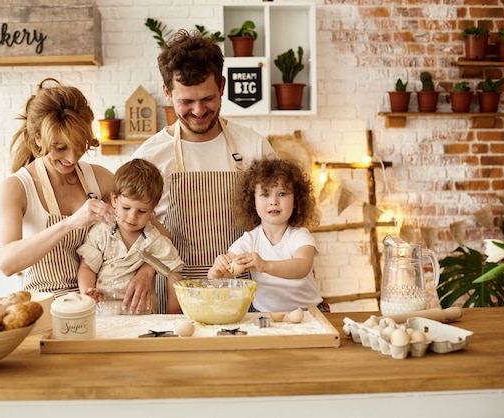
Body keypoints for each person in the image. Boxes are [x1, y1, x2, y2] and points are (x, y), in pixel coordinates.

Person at [131, 30, 276, 312]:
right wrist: (145, 268)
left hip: (244, 293)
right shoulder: (148, 157)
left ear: (222, 86)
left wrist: (303, 282)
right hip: (175, 295)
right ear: (167, 93)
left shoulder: (254, 147)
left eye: (207, 98)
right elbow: (129, 227)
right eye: (186, 101)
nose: (198, 110)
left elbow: (283, 224)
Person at [0, 78, 158, 313]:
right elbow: (7, 263)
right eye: (60, 148)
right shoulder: (18, 187)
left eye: (79, 145)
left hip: (96, 307)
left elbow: (155, 230)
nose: (72, 159)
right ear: (38, 139)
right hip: (43, 308)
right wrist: (71, 223)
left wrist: (147, 269)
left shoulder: (99, 179)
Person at [208, 157, 328, 313]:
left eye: (282, 193)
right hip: (265, 316)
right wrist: (216, 273)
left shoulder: (300, 236)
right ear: (253, 202)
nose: (274, 201)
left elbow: (302, 266)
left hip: (309, 312)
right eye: (265, 194)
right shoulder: (249, 240)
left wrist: (264, 265)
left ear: (296, 200)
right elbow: (224, 276)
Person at [76, 158, 184, 314]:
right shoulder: (102, 233)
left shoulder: (155, 241)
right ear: (114, 199)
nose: (132, 217)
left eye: (141, 211)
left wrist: (172, 314)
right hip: (103, 317)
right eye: (126, 208)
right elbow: (87, 268)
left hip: (142, 319)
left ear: (152, 209)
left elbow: (174, 275)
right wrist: (87, 293)